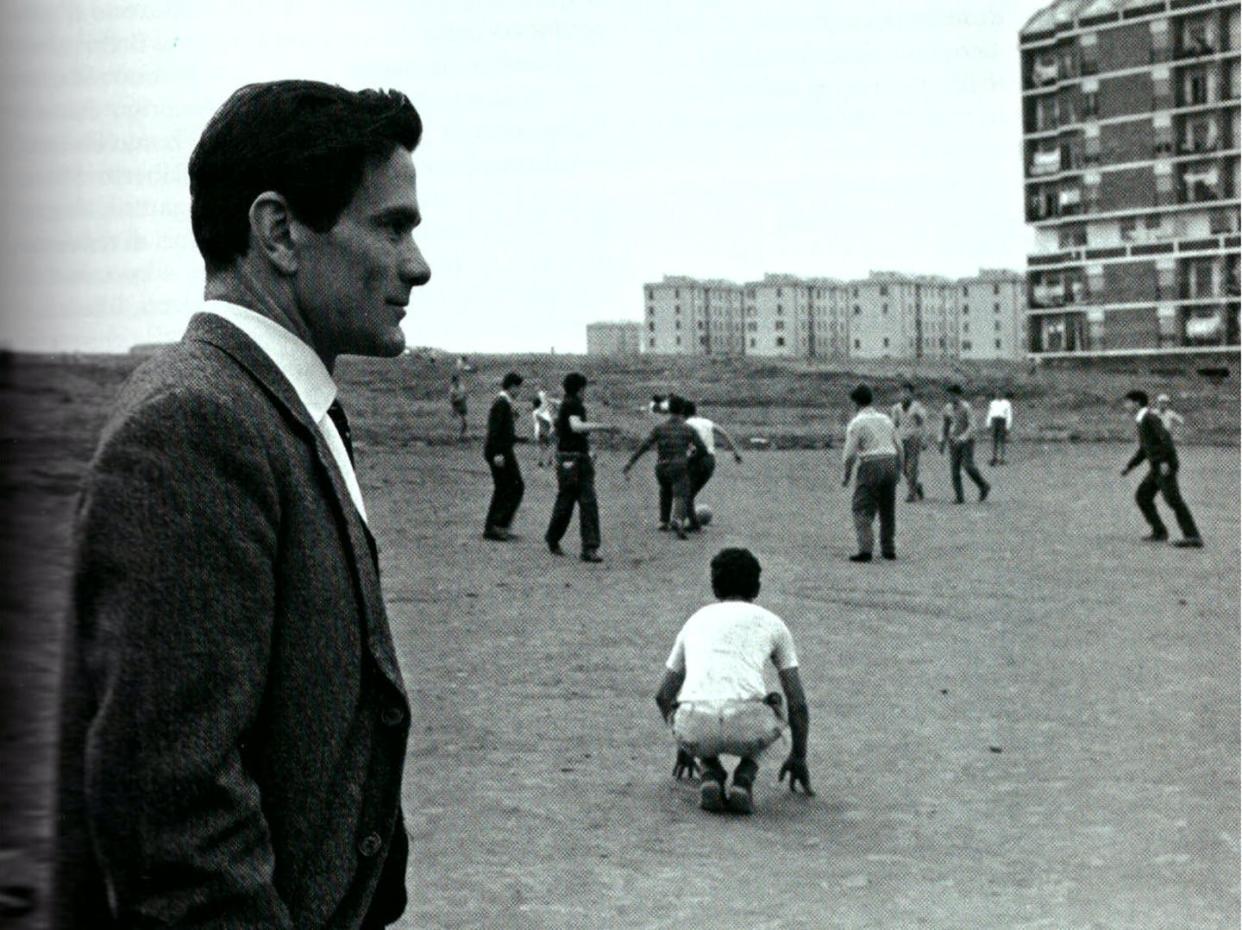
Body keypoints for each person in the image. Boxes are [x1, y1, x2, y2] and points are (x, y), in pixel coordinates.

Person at [53, 80, 430, 929]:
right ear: (281, 231)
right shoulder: (194, 424)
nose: (418, 263)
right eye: (392, 225)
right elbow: (176, 822)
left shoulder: (284, 406)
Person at [654, 548, 814, 815]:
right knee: (776, 702)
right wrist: (798, 756)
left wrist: (685, 743)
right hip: (747, 725)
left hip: (696, 724)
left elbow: (663, 696)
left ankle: (710, 769)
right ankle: (745, 776)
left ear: (715, 586)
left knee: (696, 707)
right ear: (757, 587)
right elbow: (798, 704)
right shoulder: (774, 624)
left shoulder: (695, 620)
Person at [545, 371, 615, 562]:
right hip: (577, 461)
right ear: (580, 389)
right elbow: (576, 427)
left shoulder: (564, 405)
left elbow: (560, 433)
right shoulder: (574, 404)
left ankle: (553, 538)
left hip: (567, 458)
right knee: (588, 502)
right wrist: (602, 426)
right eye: (584, 388)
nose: (585, 392)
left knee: (565, 501)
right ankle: (589, 548)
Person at [1121, 390, 1203, 548]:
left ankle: (1193, 537)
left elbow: (1165, 438)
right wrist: (1129, 466)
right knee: (1143, 496)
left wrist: (1165, 462)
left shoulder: (1149, 418)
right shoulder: (1141, 419)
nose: (1126, 405)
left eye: (1128, 402)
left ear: (1137, 403)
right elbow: (1145, 448)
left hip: (1164, 465)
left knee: (1173, 500)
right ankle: (1159, 532)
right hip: (1157, 466)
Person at [622, 395, 710, 539]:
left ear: (668, 409)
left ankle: (664, 521)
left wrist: (630, 463)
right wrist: (690, 459)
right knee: (681, 494)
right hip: (679, 465)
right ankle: (678, 520)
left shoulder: (660, 428)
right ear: (682, 410)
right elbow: (703, 450)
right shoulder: (688, 429)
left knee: (665, 490)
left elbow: (644, 446)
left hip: (661, 466)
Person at [842, 383, 902, 562]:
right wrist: (899, 469)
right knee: (887, 508)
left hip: (871, 464)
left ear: (855, 403)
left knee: (861, 508)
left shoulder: (857, 422)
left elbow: (849, 454)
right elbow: (899, 447)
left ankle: (865, 549)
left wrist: (846, 475)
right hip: (890, 461)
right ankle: (888, 549)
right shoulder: (886, 419)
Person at [682, 400, 743, 528]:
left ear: (683, 413)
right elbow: (723, 433)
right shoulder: (707, 422)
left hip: (696, 459)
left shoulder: (685, 424)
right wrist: (735, 452)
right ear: (695, 411)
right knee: (689, 493)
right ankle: (689, 520)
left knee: (686, 493)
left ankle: (692, 524)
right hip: (710, 461)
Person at [483, 371, 524, 541]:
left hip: (502, 450)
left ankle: (496, 527)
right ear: (512, 386)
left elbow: (503, 430)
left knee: (506, 487)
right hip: (500, 452)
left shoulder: (505, 402)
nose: (519, 391)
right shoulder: (502, 403)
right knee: (513, 486)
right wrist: (498, 454)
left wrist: (518, 438)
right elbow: (495, 430)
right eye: (518, 388)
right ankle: (497, 527)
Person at [939, 384, 990, 504]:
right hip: (953, 441)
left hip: (967, 441)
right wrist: (942, 441)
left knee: (968, 465)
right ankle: (959, 497)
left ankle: (983, 485)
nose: (950, 397)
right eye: (949, 395)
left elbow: (972, 426)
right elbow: (944, 425)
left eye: (953, 395)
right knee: (954, 469)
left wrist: (962, 439)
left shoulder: (966, 407)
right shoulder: (947, 408)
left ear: (958, 395)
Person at [889, 382, 928, 502]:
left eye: (907, 392)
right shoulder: (896, 408)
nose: (904, 394)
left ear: (912, 394)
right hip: (901, 440)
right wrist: (891, 439)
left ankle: (911, 494)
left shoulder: (917, 408)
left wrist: (924, 439)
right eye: (902, 392)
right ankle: (917, 486)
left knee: (912, 466)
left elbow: (923, 424)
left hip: (914, 439)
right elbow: (893, 425)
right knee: (903, 468)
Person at [986, 390, 1014, 466]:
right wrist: (988, 423)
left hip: (1002, 421)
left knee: (1002, 440)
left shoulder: (1007, 403)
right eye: (997, 393)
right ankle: (994, 457)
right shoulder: (992, 403)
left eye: (1000, 393)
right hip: (994, 420)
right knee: (994, 440)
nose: (998, 395)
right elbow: (990, 413)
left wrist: (1008, 426)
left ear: (1003, 394)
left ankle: (1002, 458)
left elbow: (1009, 415)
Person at [532, 389, 557, 467]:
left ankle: (541, 461)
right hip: (545, 431)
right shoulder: (541, 411)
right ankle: (549, 460)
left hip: (538, 432)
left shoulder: (535, 412)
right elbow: (545, 405)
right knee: (549, 446)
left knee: (541, 447)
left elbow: (545, 405)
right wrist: (543, 395)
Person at [449, 372, 468, 439]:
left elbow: (465, 394)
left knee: (463, 420)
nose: (457, 381)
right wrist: (454, 407)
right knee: (458, 419)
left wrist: (464, 400)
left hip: (462, 402)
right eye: (455, 380)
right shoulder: (452, 388)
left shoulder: (461, 386)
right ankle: (457, 434)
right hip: (457, 403)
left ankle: (462, 434)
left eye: (457, 380)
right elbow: (452, 398)